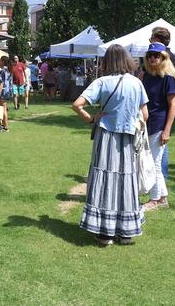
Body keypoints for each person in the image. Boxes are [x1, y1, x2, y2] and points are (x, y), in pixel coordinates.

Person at [71, 44, 149, 246]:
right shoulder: (136, 83)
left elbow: (77, 105)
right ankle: (126, 232)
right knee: (126, 181)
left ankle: (104, 233)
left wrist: (91, 119)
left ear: (107, 61)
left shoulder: (101, 82)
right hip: (128, 138)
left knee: (103, 179)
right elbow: (145, 115)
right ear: (126, 60)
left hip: (105, 136)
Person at [141, 43, 175, 210]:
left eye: (156, 55)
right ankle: (162, 198)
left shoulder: (168, 78)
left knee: (153, 163)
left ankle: (154, 199)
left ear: (163, 57)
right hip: (146, 124)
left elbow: (173, 106)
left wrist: (167, 130)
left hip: (159, 125)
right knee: (151, 161)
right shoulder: (147, 76)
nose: (152, 58)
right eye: (150, 55)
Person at [0, 57, 13, 132]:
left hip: (3, 91)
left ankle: (6, 127)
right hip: (8, 91)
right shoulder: (9, 70)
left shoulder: (2, 71)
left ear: (3, 61)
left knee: (3, 110)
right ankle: (2, 125)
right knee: (3, 108)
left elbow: (1, 83)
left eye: (0, 61)